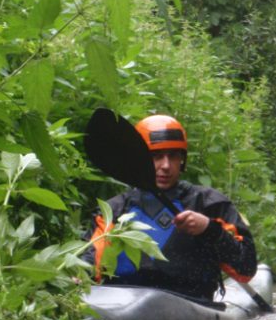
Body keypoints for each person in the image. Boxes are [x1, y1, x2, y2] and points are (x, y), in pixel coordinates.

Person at [83, 114, 258, 300]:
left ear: (182, 160)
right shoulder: (113, 211)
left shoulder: (211, 205)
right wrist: (79, 275)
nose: (166, 165)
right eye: (156, 156)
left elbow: (245, 270)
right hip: (121, 305)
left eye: (173, 156)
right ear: (139, 160)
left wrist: (208, 229)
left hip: (192, 306)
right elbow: (89, 260)